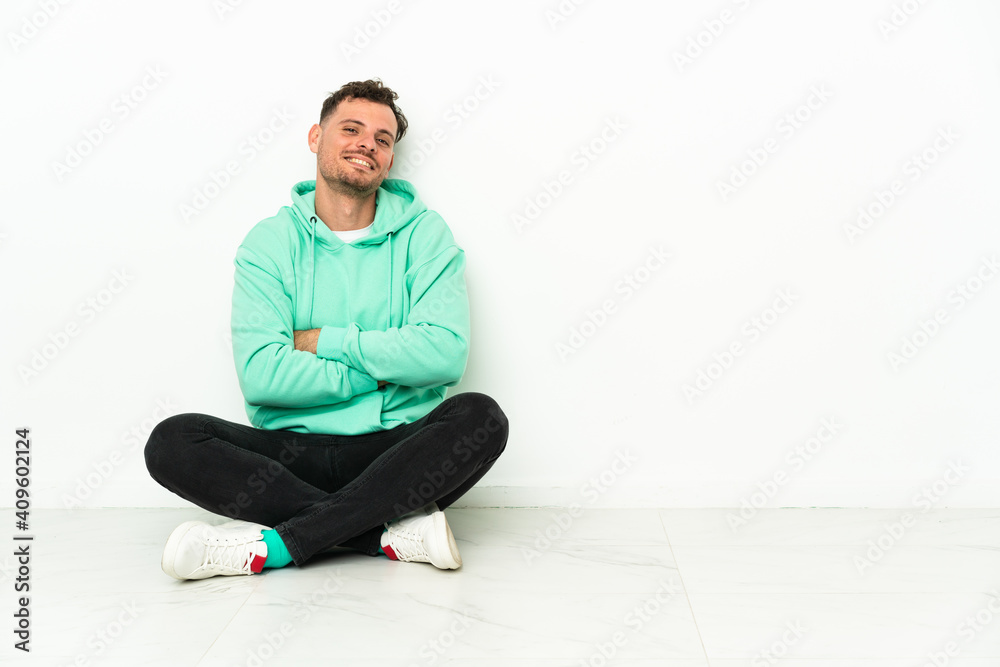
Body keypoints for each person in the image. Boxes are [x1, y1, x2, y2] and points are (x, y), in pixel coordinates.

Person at [144, 79, 508, 580]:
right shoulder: (269, 243)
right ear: (316, 138)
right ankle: (382, 535)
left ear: (390, 160)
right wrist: (384, 373)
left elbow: (444, 354)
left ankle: (271, 548)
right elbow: (262, 376)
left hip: (395, 449)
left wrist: (325, 343)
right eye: (352, 129)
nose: (367, 144)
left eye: (383, 139)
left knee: (481, 417)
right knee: (173, 441)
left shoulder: (426, 235)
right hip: (291, 455)